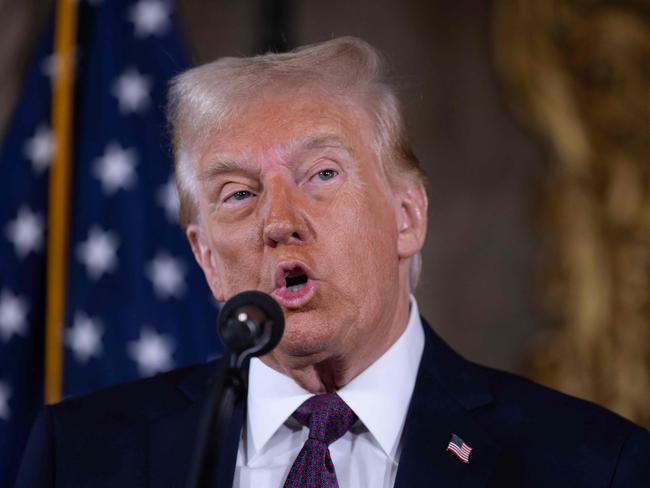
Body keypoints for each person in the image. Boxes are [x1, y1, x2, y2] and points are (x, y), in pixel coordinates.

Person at [16, 37, 649, 487]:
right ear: (207, 259)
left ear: (408, 217)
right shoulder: (80, 457)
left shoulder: (593, 464)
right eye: (238, 193)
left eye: (321, 174)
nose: (279, 220)